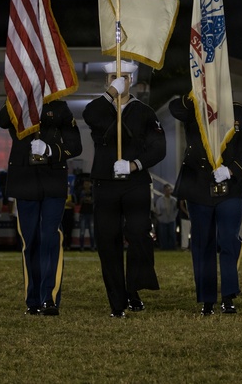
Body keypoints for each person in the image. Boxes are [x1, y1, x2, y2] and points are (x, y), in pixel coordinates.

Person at [82, 60, 165, 318]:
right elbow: (89, 116)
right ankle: (117, 302)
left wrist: (134, 165)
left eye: (126, 77)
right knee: (108, 242)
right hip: (105, 183)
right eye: (115, 78)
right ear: (107, 82)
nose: (121, 82)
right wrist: (110, 95)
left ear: (133, 81)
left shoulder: (144, 111)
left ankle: (133, 289)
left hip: (134, 182)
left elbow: (158, 148)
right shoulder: (100, 108)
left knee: (138, 233)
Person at [170, 92, 242, 315]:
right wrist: (192, 94)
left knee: (228, 241)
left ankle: (228, 296)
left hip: (229, 185)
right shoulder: (193, 107)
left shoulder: (238, 110)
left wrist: (232, 170)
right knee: (202, 244)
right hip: (198, 185)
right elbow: (174, 110)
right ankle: (207, 299)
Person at [0, 98, 82, 316]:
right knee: (31, 241)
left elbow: (75, 145)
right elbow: (2, 120)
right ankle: (33, 299)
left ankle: (49, 298)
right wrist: (17, 95)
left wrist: (51, 149)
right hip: (24, 180)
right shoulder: (18, 101)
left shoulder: (60, 107)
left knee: (50, 237)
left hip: (52, 179)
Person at [152, 183, 178, 251]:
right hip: (163, 220)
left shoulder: (174, 200)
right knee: (163, 235)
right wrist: (159, 216)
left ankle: (172, 247)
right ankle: (164, 247)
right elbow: (157, 209)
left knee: (172, 234)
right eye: (166, 190)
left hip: (171, 219)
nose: (167, 192)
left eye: (169, 190)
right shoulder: (160, 200)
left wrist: (174, 217)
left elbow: (176, 210)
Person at [76, 178, 95, 251]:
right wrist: (84, 199)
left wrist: (89, 200)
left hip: (91, 213)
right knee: (82, 232)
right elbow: (79, 202)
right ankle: (81, 247)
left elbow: (93, 201)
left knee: (92, 232)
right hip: (83, 213)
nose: (86, 185)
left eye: (87, 183)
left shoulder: (93, 192)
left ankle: (93, 247)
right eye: (85, 183)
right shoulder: (81, 192)